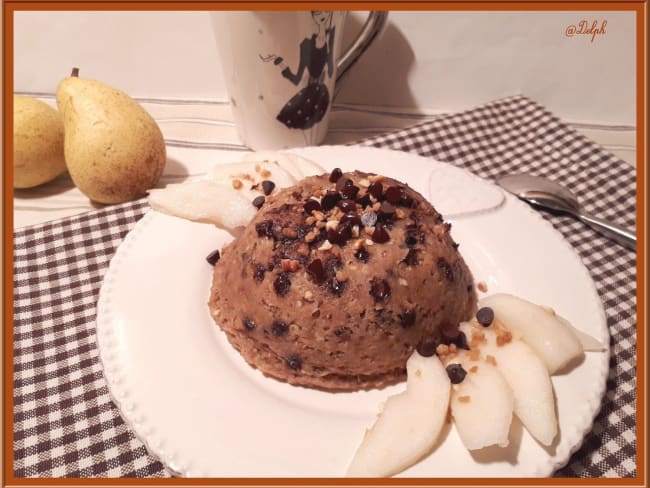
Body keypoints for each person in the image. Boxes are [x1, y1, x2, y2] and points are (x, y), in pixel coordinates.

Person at [260, 11, 335, 144]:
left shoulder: (331, 36)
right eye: (317, 12)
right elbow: (297, 78)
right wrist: (279, 62)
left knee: (312, 133)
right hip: (310, 93)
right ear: (312, 16)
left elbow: (331, 67)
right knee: (304, 131)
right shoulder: (306, 45)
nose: (323, 13)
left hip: (322, 94)